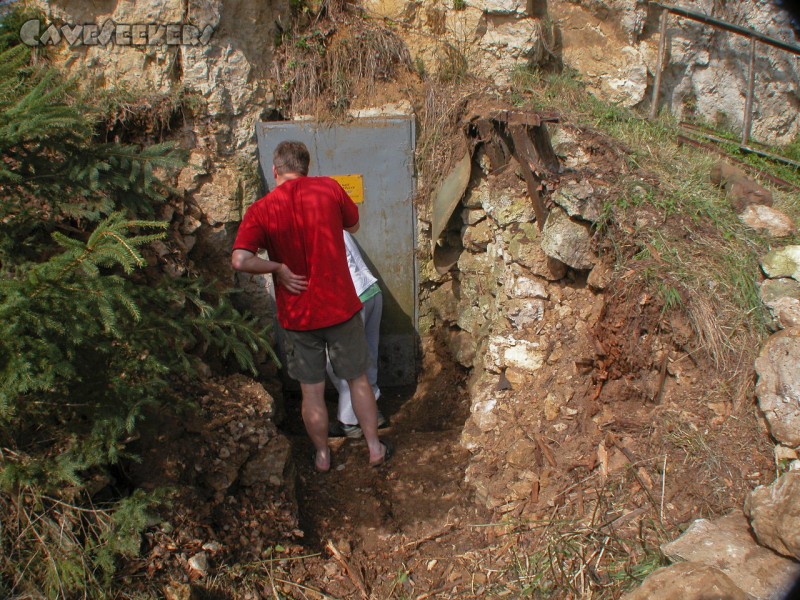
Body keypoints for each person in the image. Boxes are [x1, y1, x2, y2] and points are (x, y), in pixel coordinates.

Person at [230, 140, 392, 472]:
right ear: (307, 167)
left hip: (298, 316)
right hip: (341, 308)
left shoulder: (261, 209)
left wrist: (277, 268)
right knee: (358, 380)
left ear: (275, 170)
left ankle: (321, 455)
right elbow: (354, 225)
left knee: (312, 392)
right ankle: (374, 448)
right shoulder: (329, 189)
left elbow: (240, 259)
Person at [326, 231, 387, 438]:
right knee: (366, 357)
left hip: (351, 299)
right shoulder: (337, 225)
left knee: (338, 363)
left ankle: (349, 422)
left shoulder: (312, 231)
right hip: (371, 292)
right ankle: (373, 412)